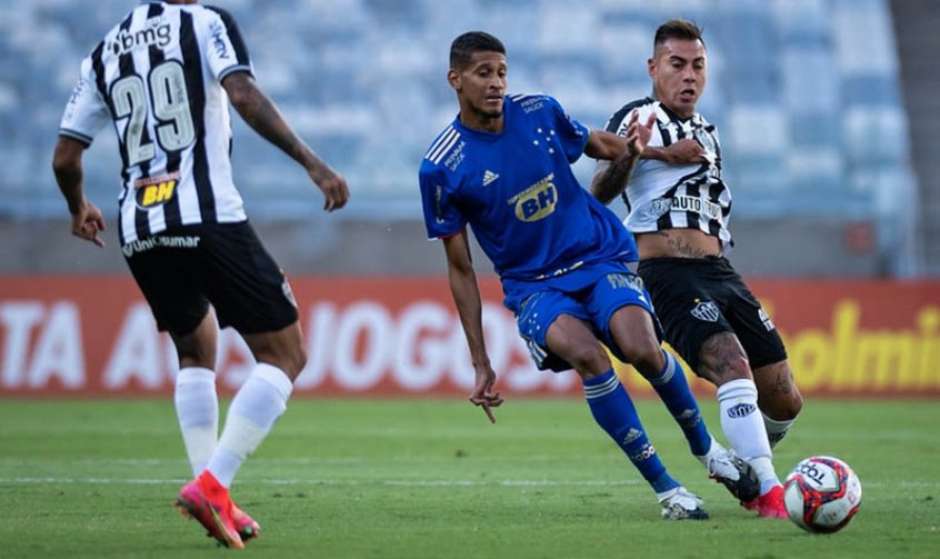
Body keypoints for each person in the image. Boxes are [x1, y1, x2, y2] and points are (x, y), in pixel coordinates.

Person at [420, 31, 756, 520]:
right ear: (455, 79)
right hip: (533, 286)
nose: (496, 84)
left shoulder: (538, 111)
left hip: (597, 255)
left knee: (640, 346)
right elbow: (460, 268)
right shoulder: (441, 166)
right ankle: (668, 490)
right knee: (588, 357)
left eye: (501, 72)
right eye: (482, 73)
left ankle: (710, 453)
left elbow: (597, 143)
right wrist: (479, 360)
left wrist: (645, 151)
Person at [51, 0, 349, 548]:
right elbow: (243, 94)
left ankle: (214, 498)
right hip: (204, 213)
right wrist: (312, 162)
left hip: (139, 225)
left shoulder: (102, 52)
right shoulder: (207, 21)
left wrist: (77, 207)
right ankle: (214, 485)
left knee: (196, 350)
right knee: (286, 355)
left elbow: (66, 158)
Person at [592, 19, 804, 519]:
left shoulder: (708, 131)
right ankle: (770, 492)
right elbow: (600, 188)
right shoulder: (637, 117)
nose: (689, 75)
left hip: (720, 271)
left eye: (698, 66)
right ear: (653, 68)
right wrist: (637, 152)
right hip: (666, 273)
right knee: (731, 364)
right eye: (677, 64)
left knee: (785, 398)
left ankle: (751, 454)